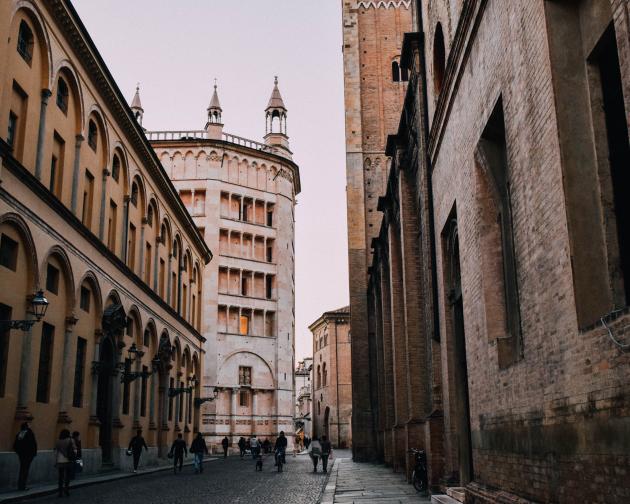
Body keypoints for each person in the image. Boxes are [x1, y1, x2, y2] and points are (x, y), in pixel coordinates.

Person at [13, 422, 37, 491]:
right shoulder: (29, 433)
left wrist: (19, 452)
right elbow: (33, 444)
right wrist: (33, 454)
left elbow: (15, 445)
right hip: (28, 455)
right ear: (27, 427)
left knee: (22, 469)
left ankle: (20, 486)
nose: (30, 426)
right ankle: (23, 486)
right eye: (29, 425)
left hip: (21, 455)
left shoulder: (19, 434)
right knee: (25, 470)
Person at [54, 429, 76, 497]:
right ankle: (66, 489)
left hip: (60, 460)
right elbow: (74, 449)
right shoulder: (70, 440)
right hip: (68, 460)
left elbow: (55, 452)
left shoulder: (58, 441)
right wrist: (74, 456)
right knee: (67, 476)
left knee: (60, 477)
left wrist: (56, 460)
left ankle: (60, 491)